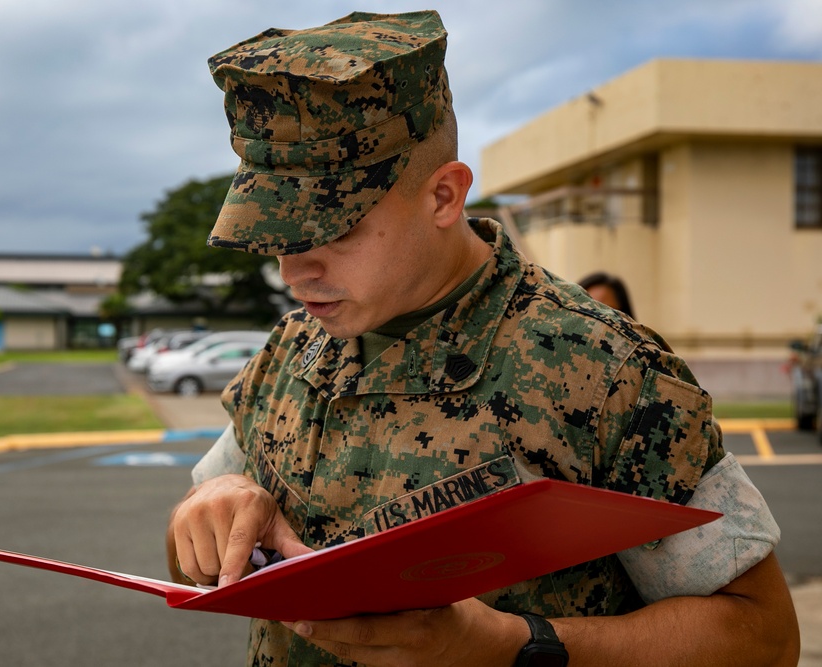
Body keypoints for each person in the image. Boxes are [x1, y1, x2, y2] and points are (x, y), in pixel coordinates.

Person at [167, 11, 800, 667]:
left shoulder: (601, 369)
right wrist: (212, 506)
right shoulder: (293, 348)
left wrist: (510, 646)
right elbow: (192, 542)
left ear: (444, 195)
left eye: (335, 227)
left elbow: (765, 636)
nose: (293, 270)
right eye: (276, 235)